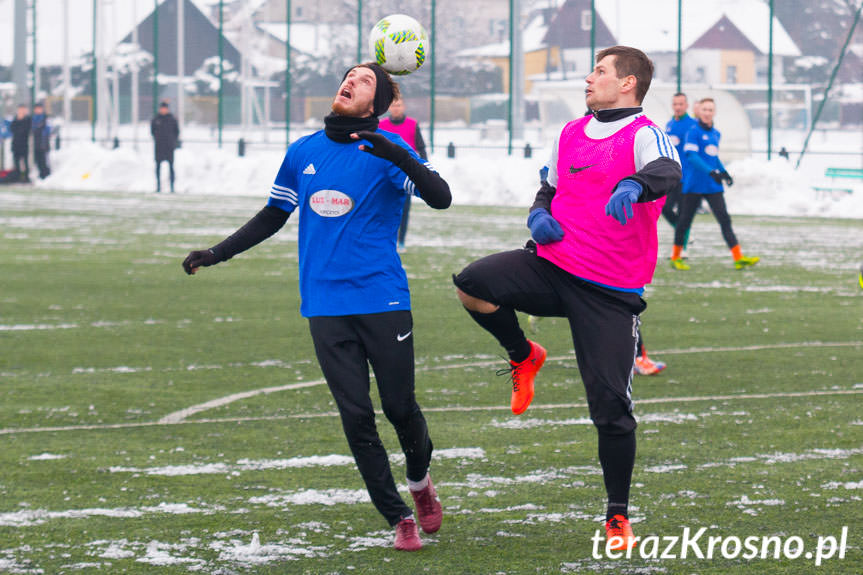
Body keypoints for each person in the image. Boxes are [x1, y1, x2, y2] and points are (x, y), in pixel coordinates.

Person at [181, 63, 451, 552]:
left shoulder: (390, 150)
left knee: (399, 407)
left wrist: (399, 154)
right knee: (355, 414)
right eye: (348, 76)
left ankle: (419, 481)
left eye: (364, 80)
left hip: (382, 299)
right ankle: (397, 516)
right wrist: (217, 252)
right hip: (325, 305)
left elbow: (441, 198)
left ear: (378, 101)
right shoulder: (303, 151)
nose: (350, 82)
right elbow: (272, 215)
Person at [453, 46, 680, 551]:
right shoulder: (570, 132)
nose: (588, 77)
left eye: (599, 71)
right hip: (553, 266)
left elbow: (668, 173)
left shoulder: (645, 132)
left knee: (611, 409)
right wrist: (538, 214)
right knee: (473, 284)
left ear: (627, 83)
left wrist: (636, 184)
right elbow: (548, 189)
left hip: (610, 292)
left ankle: (617, 515)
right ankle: (523, 355)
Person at [669, 98, 759, 270]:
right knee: (684, 221)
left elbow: (713, 156)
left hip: (712, 185)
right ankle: (675, 257)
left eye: (710, 109)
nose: (707, 112)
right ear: (699, 112)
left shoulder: (716, 133)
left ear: (714, 112)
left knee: (724, 219)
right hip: (694, 184)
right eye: (705, 109)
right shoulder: (692, 132)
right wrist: (711, 171)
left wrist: (723, 171)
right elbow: (692, 157)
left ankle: (738, 257)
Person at [379, 97, 428, 250]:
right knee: (383, 208)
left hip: (405, 173)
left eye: (398, 105)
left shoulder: (412, 125)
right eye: (393, 105)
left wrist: (424, 170)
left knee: (404, 209)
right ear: (388, 108)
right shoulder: (381, 125)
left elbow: (421, 148)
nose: (396, 108)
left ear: (404, 107)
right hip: (384, 174)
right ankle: (387, 239)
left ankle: (401, 241)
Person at [662, 93, 697, 247]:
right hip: (671, 175)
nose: (678, 107)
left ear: (686, 106)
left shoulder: (692, 125)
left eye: (681, 104)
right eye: (675, 104)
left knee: (684, 213)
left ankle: (682, 248)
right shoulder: (670, 124)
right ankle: (682, 232)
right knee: (666, 208)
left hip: (687, 177)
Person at [151, 101, 180, 193]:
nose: (163, 110)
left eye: (165, 108)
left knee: (171, 166)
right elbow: (152, 132)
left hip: (169, 147)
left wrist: (172, 141)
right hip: (159, 147)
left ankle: (172, 187)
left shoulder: (172, 119)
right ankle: (158, 186)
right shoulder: (156, 119)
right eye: (162, 108)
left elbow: (176, 132)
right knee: (158, 166)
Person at [9, 104, 31, 182]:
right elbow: (12, 129)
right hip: (15, 144)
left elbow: (25, 130)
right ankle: (17, 177)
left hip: (24, 144)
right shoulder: (15, 119)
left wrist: (21, 120)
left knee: (25, 162)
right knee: (16, 162)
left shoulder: (28, 119)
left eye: (23, 109)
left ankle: (26, 177)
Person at [31, 103, 52, 179]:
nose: (38, 110)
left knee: (44, 160)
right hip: (36, 143)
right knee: (38, 160)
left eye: (39, 108)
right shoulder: (34, 118)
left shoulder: (45, 118)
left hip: (43, 142)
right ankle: (41, 175)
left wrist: (44, 139)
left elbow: (48, 130)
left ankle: (47, 175)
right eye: (36, 108)